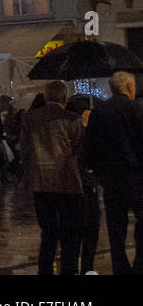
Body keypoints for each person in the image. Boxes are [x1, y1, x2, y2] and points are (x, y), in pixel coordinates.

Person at [19, 80, 83, 277]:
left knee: (48, 232)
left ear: (46, 97)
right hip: (67, 182)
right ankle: (69, 271)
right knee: (69, 234)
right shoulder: (72, 118)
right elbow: (79, 149)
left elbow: (25, 150)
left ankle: (45, 270)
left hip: (41, 182)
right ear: (64, 97)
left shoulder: (30, 118)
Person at [84, 71, 143, 276]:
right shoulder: (136, 109)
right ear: (129, 88)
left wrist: (99, 172)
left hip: (110, 177)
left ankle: (120, 267)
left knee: (116, 227)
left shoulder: (99, 112)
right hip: (136, 176)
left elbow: (89, 146)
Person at [66, 95, 101, 275]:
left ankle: (87, 266)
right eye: (85, 114)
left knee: (91, 227)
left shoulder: (88, 132)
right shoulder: (75, 133)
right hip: (80, 186)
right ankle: (81, 266)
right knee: (82, 227)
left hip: (87, 184)